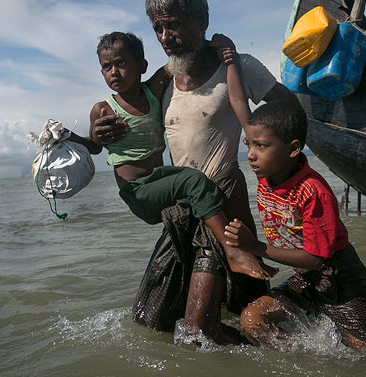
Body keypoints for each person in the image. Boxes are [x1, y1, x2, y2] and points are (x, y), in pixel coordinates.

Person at [92, 0, 299, 344]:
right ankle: (268, 351)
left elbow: (289, 109)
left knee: (197, 330)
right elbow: (133, 121)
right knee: (153, 321)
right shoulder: (162, 82)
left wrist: (266, 153)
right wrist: (105, 132)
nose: (165, 37)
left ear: (202, 19)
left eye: (173, 24)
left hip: (221, 201)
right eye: (157, 28)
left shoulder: (237, 68)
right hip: (181, 209)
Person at [224, 100, 366, 351]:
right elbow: (242, 107)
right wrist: (231, 63)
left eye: (261, 146)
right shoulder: (266, 170)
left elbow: (315, 258)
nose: (251, 154)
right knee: (253, 321)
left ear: (293, 149)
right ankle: (312, 364)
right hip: (306, 280)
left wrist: (256, 247)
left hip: (341, 280)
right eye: (248, 144)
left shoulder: (312, 192)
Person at [86, 31, 275, 280]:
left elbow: (183, 53)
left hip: (160, 180)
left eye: (121, 63)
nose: (113, 71)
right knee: (192, 180)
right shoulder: (103, 109)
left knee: (192, 184)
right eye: (106, 67)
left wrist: (222, 47)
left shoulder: (152, 92)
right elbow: (93, 146)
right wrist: (87, 137)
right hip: (137, 191)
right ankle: (232, 251)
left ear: (141, 66)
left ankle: (239, 263)